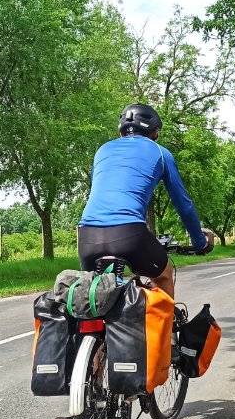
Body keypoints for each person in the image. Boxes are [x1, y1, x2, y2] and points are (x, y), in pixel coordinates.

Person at [78, 103, 213, 299]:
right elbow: (183, 204)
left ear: (122, 133)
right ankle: (164, 330)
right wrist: (199, 242)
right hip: (129, 234)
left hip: (87, 238)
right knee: (164, 276)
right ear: (155, 132)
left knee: (97, 297)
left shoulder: (102, 150)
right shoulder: (160, 152)